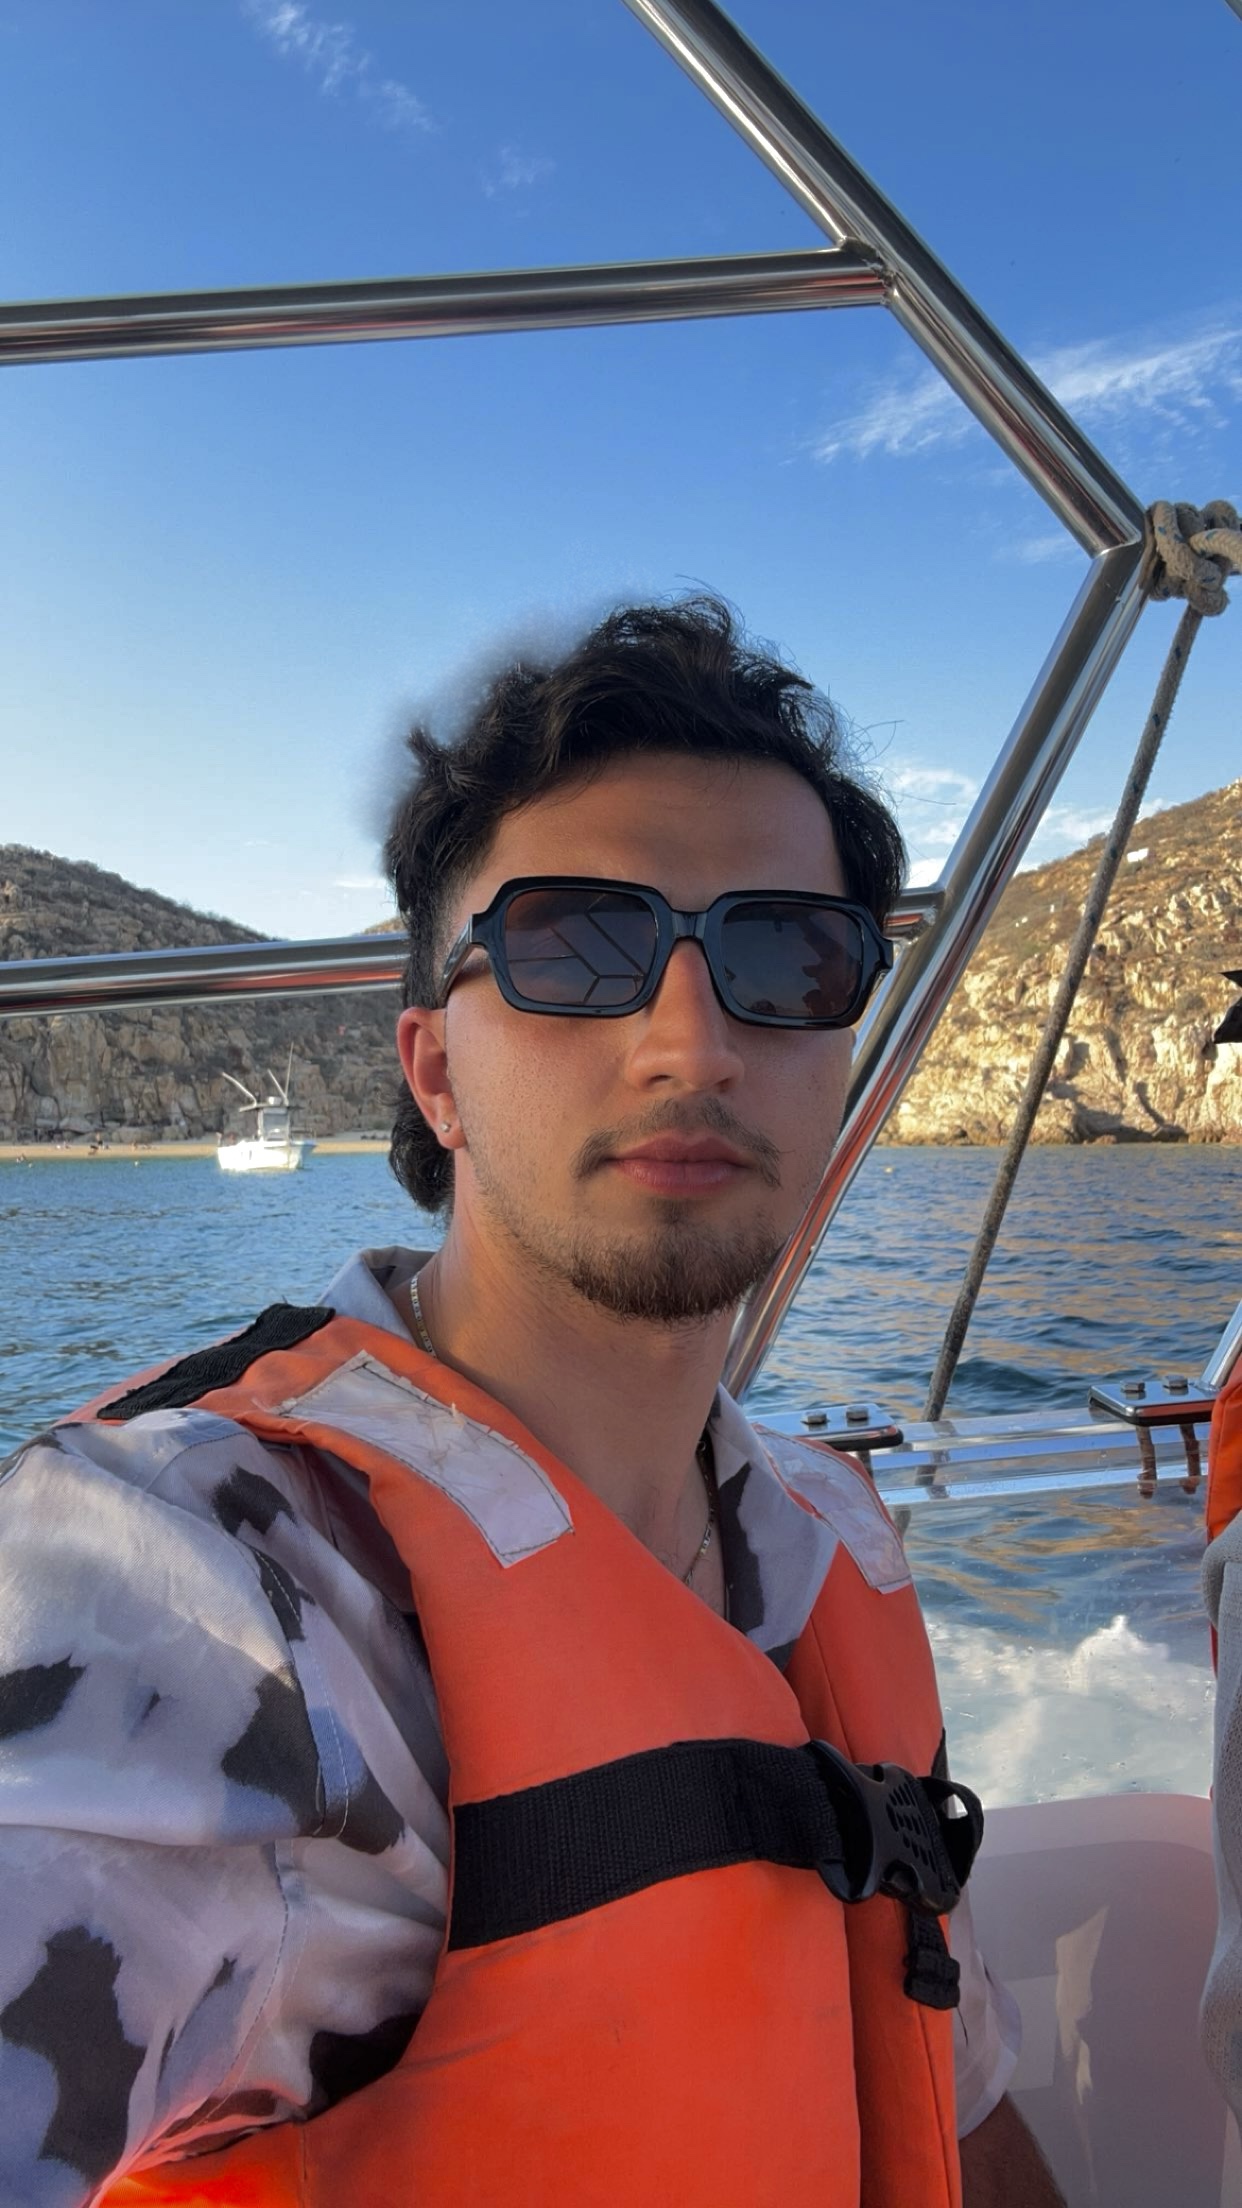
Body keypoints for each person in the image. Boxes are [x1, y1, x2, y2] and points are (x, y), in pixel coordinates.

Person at [0, 597, 1061, 2205]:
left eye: (787, 954)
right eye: (577, 947)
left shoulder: (841, 1539)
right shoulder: (213, 1580)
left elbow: (950, 2099)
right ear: (433, 1071)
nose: (688, 1041)